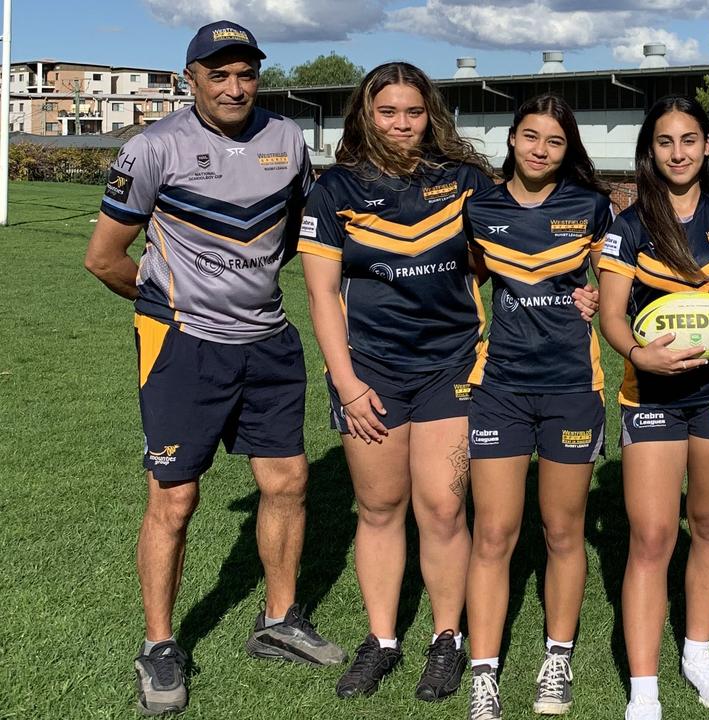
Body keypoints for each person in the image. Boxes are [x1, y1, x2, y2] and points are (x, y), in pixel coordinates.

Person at [83, 20, 345, 716]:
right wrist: (173, 304)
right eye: (218, 73)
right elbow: (105, 258)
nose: (234, 87)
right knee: (175, 498)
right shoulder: (150, 148)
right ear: (190, 77)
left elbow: (291, 236)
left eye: (246, 73)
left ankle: (279, 620)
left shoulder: (287, 140)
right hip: (184, 345)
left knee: (287, 482)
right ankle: (160, 646)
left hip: (269, 341)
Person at [298, 61, 491, 702]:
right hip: (370, 373)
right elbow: (323, 297)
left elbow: (507, 255)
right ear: (365, 115)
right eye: (388, 112)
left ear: (430, 114)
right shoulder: (333, 191)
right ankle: (381, 640)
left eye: (413, 112)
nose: (402, 124)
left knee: (443, 506)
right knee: (380, 509)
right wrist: (348, 384)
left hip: (451, 366)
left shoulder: (465, 182)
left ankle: (446, 639)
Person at [597, 95, 709, 720]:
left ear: (708, 146)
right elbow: (613, 315)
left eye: (689, 139)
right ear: (651, 151)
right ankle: (644, 688)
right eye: (665, 142)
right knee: (651, 535)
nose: (678, 152)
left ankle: (697, 650)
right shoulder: (630, 224)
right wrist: (640, 356)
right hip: (653, 395)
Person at [462, 93, 614, 720]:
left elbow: (613, 281)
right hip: (499, 388)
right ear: (513, 139)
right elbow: (465, 281)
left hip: (573, 387)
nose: (540, 150)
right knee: (494, 532)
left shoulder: (591, 205)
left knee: (561, 529)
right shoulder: (481, 207)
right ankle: (484, 673)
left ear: (567, 148)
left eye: (554, 141)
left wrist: (598, 296)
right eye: (530, 137)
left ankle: (556, 659)